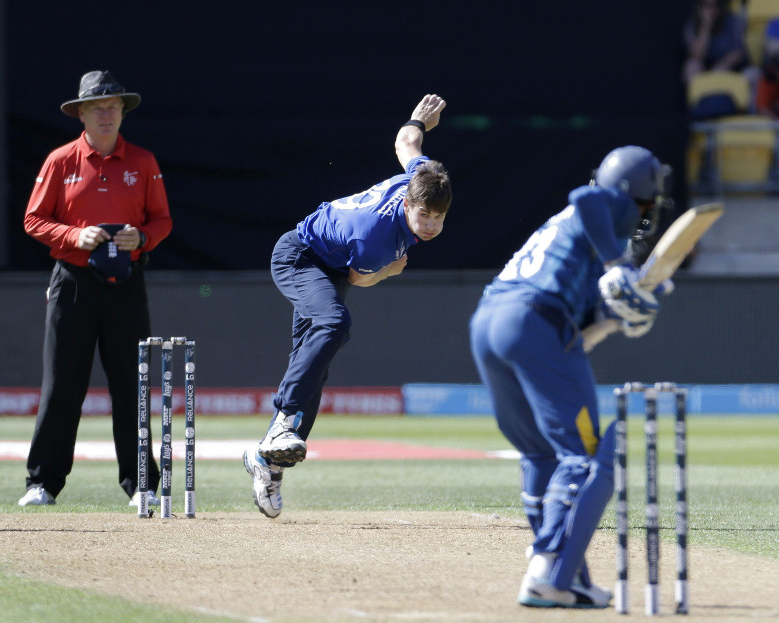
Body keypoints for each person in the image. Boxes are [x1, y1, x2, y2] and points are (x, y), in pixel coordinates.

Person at [469, 146, 671, 608]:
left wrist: (621, 311)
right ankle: (548, 571)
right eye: (644, 202)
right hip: (533, 322)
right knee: (585, 456)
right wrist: (619, 267)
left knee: (541, 453)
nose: (642, 213)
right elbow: (588, 197)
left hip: (489, 322)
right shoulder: (603, 205)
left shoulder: (568, 239)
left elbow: (582, 324)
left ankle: (569, 575)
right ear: (633, 194)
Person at [243, 94, 452, 519]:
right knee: (334, 322)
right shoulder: (376, 239)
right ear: (408, 204)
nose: (430, 225)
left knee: (315, 368)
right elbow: (361, 278)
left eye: (439, 218)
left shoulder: (420, 176)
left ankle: (267, 462)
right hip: (300, 256)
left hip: (331, 262)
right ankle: (283, 420)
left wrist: (419, 119)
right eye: (424, 215)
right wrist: (391, 272)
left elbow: (406, 141)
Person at [18, 70, 172, 507]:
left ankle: (142, 483)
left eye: (113, 106)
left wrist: (140, 238)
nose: (106, 114)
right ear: (81, 113)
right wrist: (74, 236)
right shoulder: (60, 160)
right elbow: (33, 219)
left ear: (123, 112)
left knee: (132, 383)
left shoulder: (142, 161)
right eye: (96, 107)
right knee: (63, 384)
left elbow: (162, 221)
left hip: (126, 281)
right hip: (73, 282)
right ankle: (42, 483)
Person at [682, 0, 751, 84]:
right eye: (707, 6)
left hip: (731, 69)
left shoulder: (734, 21)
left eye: (715, 6)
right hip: (706, 70)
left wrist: (721, 66)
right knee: (691, 66)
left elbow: (738, 53)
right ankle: (697, 95)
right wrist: (706, 26)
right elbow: (696, 56)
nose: (712, 10)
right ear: (700, 7)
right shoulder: (692, 26)